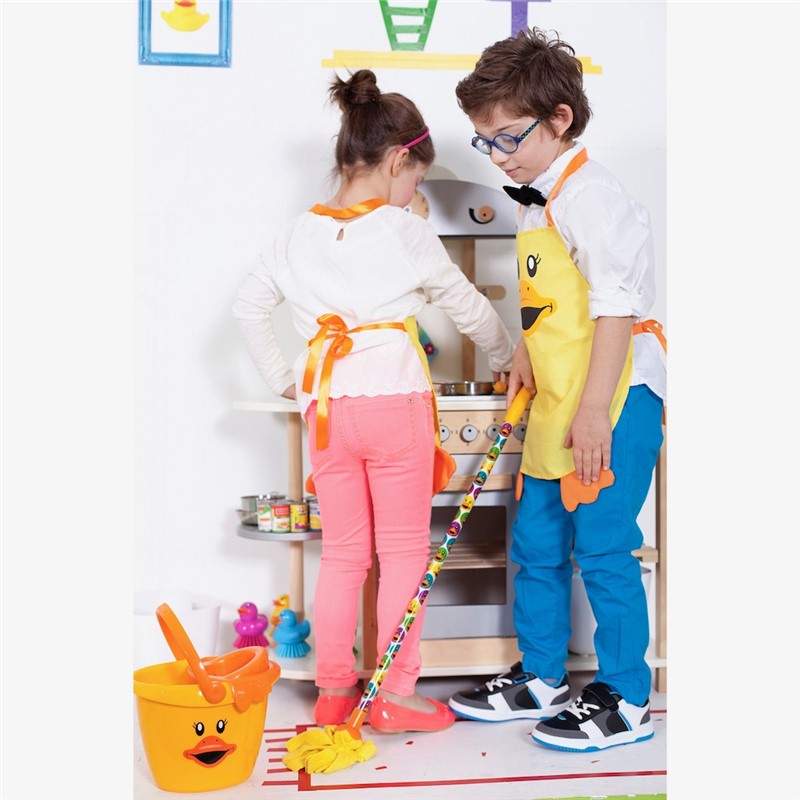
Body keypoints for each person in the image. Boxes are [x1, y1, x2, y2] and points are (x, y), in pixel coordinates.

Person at [233, 69, 515, 734]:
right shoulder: (402, 230)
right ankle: (393, 695)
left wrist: (286, 380)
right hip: (394, 406)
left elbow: (248, 308)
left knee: (343, 555)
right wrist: (509, 358)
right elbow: (468, 306)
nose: (415, 192)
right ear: (396, 160)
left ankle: (334, 695)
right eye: (417, 178)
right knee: (405, 554)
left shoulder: (295, 233)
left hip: (327, 410)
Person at [446, 28, 667, 752]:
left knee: (602, 548)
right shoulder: (535, 200)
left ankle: (626, 697)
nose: (497, 156)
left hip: (613, 396)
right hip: (558, 394)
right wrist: (527, 353)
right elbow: (554, 304)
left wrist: (595, 412)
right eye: (485, 142)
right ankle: (542, 677)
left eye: (507, 138)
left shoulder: (593, 197)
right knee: (536, 544)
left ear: (560, 118)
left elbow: (614, 310)